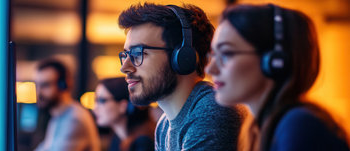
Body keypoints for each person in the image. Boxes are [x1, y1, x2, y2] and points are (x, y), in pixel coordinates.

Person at [206, 4, 350, 151]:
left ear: (275, 61)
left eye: (227, 53)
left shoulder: (299, 125)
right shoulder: (256, 130)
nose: (210, 69)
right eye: (213, 55)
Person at [118, 3, 246, 150]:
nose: (124, 68)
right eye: (126, 55)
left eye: (137, 53)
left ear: (182, 57)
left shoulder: (211, 112)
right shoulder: (164, 125)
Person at [34, 59, 100, 151]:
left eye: (45, 85)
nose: (39, 93)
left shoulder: (74, 119)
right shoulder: (57, 117)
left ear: (63, 85)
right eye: (37, 85)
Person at [93, 77, 155, 151]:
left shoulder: (143, 142)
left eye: (102, 100)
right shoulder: (117, 139)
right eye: (95, 100)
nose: (95, 108)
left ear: (123, 105)